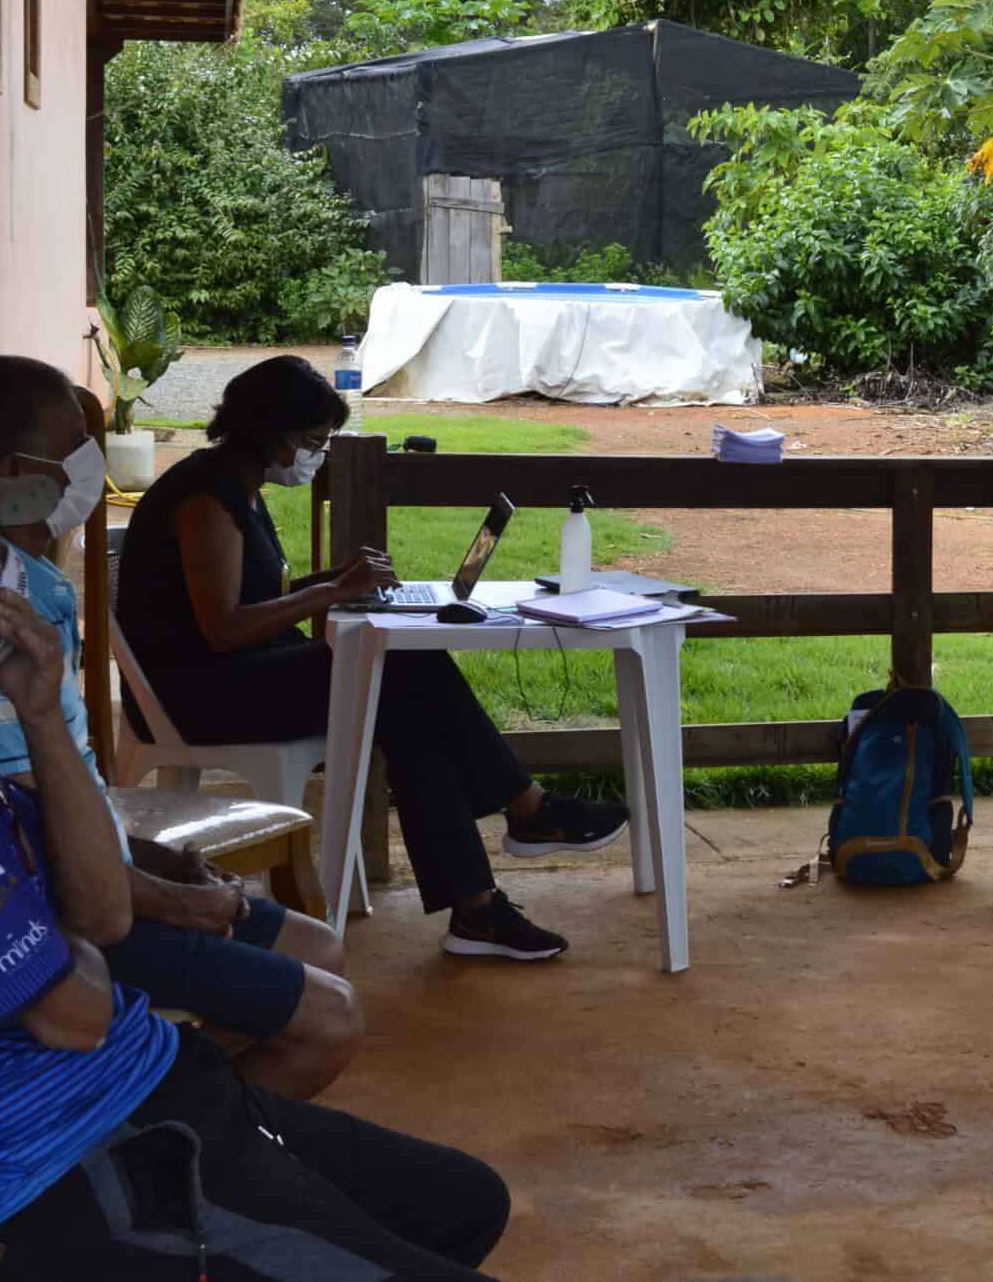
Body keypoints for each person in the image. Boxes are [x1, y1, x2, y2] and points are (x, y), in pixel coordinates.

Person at [0, 433, 508, 1277]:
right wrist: (57, 924)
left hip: (146, 1095)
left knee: (465, 1202)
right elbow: (77, 1012)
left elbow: (101, 913)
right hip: (67, 1166)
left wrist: (43, 715)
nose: (14, 570)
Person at [0, 354, 361, 1099]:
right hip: (61, 911)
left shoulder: (26, 580)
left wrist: (157, 861)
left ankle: (182, 1100)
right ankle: (169, 1121)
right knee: (328, 1015)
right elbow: (32, 837)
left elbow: (64, 796)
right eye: (74, 445)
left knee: (318, 947)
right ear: (16, 472)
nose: (90, 465)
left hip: (98, 864)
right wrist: (178, 900)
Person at [115, 356, 627, 962]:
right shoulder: (206, 498)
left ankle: (478, 902)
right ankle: (525, 815)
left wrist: (333, 581)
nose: (316, 455)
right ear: (272, 432)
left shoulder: (237, 485)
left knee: (403, 697)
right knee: (402, 671)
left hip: (231, 674)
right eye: (312, 442)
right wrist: (332, 591)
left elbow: (247, 596)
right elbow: (223, 628)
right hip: (195, 696)